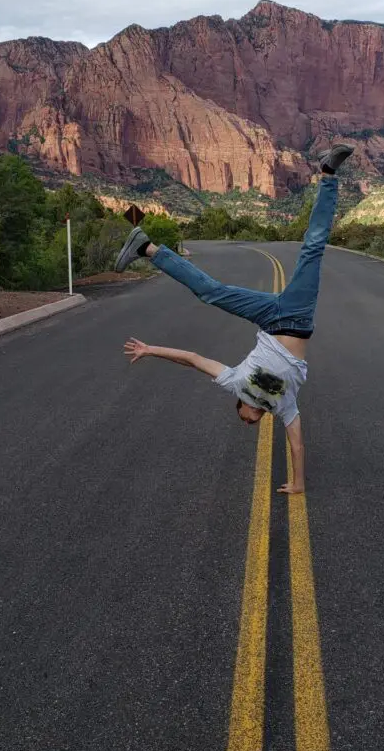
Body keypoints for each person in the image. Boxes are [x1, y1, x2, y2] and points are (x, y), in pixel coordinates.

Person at [114, 143, 354, 494]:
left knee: (210, 291)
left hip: (270, 320)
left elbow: (193, 360)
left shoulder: (236, 384)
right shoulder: (283, 407)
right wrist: (299, 483)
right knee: (314, 248)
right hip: (298, 318)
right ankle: (329, 174)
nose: (246, 424)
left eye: (242, 418)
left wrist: (150, 350)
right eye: (249, 422)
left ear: (241, 404)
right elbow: (297, 446)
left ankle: (146, 248)